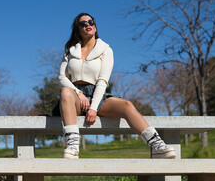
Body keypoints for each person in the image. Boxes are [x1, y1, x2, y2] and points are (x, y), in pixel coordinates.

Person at [58, 12, 176, 159]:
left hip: (97, 95)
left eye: (91, 22)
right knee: (65, 91)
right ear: (78, 29)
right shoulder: (70, 51)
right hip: (74, 98)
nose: (88, 25)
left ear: (95, 26)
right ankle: (73, 147)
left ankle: (157, 145)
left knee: (126, 105)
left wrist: (93, 108)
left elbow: (102, 81)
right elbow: (62, 77)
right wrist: (79, 93)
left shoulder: (106, 50)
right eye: (83, 23)